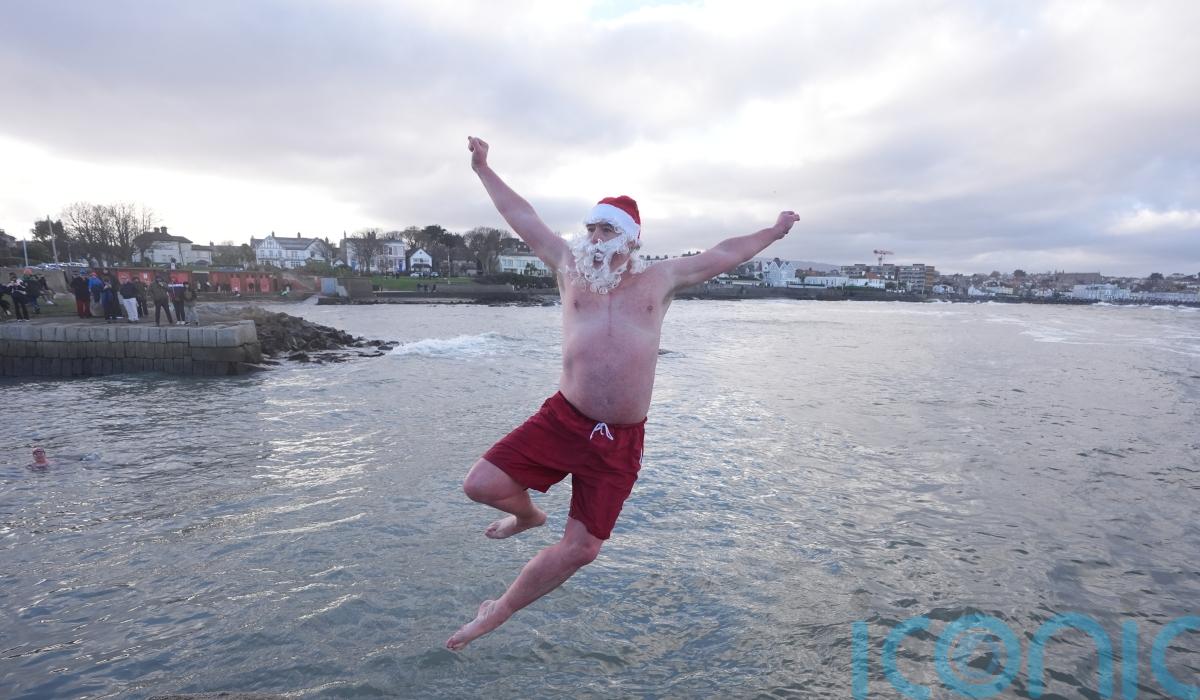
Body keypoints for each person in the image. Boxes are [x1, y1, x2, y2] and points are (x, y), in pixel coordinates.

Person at [445, 137, 799, 650]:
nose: (594, 237)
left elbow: (725, 253)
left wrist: (775, 230)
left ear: (630, 239)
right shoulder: (569, 269)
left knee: (583, 548)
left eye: (606, 229)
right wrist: (484, 169)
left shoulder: (660, 280)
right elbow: (522, 217)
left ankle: (496, 612)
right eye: (590, 227)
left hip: (620, 439)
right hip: (564, 419)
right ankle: (527, 515)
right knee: (479, 485)